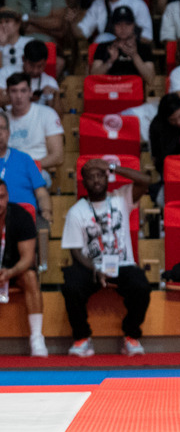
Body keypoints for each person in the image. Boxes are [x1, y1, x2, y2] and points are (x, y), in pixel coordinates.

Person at [61, 158, 153, 358]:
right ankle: (82, 337)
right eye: (90, 177)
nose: (96, 180)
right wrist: (95, 269)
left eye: (100, 175)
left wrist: (112, 167)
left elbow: (146, 180)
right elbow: (75, 250)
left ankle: (131, 335)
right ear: (83, 183)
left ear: (107, 178)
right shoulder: (76, 212)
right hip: (91, 267)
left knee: (141, 286)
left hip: (122, 264)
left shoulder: (121, 199)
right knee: (71, 286)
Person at [0, 179, 45, 357]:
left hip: (15, 269)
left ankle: (36, 337)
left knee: (31, 277)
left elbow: (28, 258)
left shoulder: (20, 216)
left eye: (1, 197)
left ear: (8, 197)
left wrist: (9, 273)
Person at [6, 72, 63, 175]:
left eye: (23, 91)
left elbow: (57, 156)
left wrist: (29, 166)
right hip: (7, 170)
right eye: (14, 91)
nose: (19, 96)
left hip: (38, 169)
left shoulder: (47, 114)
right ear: (8, 93)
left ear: (30, 92)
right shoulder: (2, 119)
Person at [0, 110, 51, 218]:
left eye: (2, 128)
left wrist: (46, 212)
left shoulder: (24, 159)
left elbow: (41, 193)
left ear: (8, 133)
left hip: (24, 223)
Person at [89, 6, 156, 86]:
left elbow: (151, 79)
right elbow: (93, 77)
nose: (123, 28)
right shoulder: (103, 47)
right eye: (119, 24)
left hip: (134, 93)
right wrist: (110, 61)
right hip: (108, 91)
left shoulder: (143, 48)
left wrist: (134, 56)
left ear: (133, 26)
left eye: (128, 24)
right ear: (113, 26)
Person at [0, 40, 60, 113]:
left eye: (40, 66)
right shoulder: (6, 73)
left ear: (45, 63)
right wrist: (29, 97)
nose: (35, 70)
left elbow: (57, 116)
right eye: (31, 65)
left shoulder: (50, 82)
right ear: (23, 59)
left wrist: (52, 97)